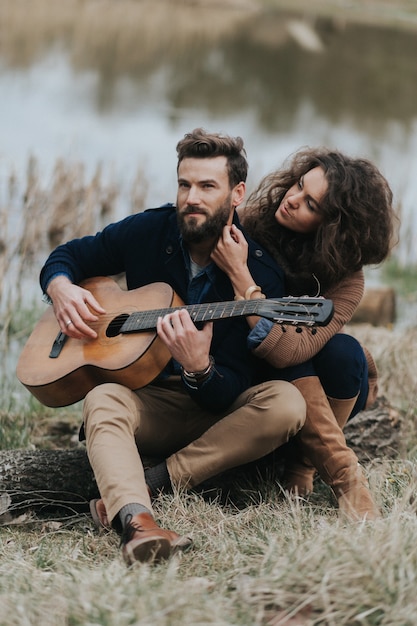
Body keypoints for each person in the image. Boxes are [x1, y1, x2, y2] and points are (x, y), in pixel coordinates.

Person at [39, 128, 306, 565]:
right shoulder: (149, 230)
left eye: (207, 186)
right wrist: (61, 288)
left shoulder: (259, 274)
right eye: (184, 184)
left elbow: (234, 386)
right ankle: (138, 524)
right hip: (153, 401)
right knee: (103, 398)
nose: (191, 198)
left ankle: (153, 483)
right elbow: (69, 255)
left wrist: (200, 368)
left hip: (219, 415)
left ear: (237, 193)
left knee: (287, 403)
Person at [211, 147, 396, 521]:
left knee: (342, 353)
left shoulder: (346, 280)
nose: (292, 200)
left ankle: (307, 467)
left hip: (327, 386)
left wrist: (243, 280)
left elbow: (289, 351)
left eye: (311, 204)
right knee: (284, 353)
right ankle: (348, 482)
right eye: (298, 185)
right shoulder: (245, 226)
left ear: (335, 228)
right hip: (253, 381)